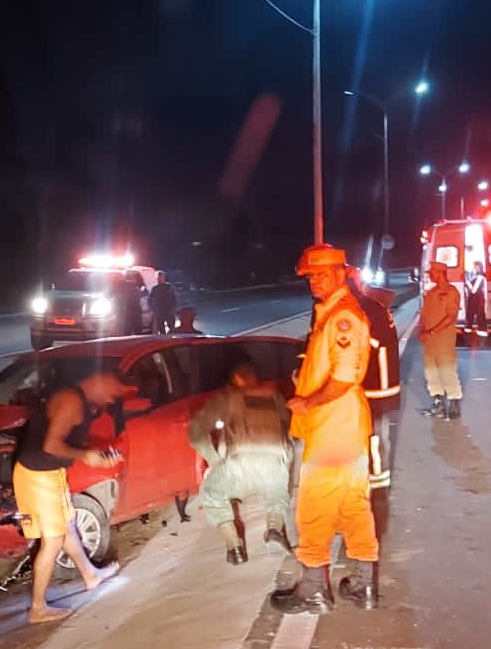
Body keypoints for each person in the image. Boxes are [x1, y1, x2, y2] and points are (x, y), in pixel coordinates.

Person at [272, 243, 381, 612]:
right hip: (343, 427)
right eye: (310, 276)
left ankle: (314, 589)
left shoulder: (344, 318)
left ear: (341, 274)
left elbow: (346, 377)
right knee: (353, 505)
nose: (315, 281)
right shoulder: (330, 314)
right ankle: (365, 586)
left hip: (333, 428)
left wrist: (306, 401)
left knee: (315, 507)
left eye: (322, 274)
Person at [13, 369, 125, 622]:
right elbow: (51, 445)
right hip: (36, 476)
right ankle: (38, 609)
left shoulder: (79, 400)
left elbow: (63, 443)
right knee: (53, 541)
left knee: (68, 527)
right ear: (98, 382)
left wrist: (93, 453)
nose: (110, 402)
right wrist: (86, 456)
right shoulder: (72, 401)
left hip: (49, 474)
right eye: (110, 394)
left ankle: (90, 576)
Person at [188, 356, 292, 564]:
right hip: (275, 463)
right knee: (277, 495)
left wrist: (215, 460)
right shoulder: (274, 396)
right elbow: (287, 426)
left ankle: (233, 546)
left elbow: (196, 431)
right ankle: (274, 529)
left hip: (240, 465)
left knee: (211, 491)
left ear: (235, 378)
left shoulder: (228, 397)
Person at [346, 268, 401, 491]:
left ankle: (376, 488)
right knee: (374, 437)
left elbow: (364, 347)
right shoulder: (374, 306)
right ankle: (372, 481)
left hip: (375, 388)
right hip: (379, 386)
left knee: (373, 438)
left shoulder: (364, 310)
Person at [419, 261, 464, 420]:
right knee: (431, 372)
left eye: (432, 273)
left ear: (440, 273)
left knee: (446, 370)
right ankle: (438, 403)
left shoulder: (451, 292)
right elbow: (424, 315)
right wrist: (422, 330)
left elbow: (451, 317)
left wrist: (431, 331)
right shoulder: (431, 293)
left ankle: (453, 404)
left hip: (443, 339)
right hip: (429, 341)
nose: (430, 275)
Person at [148, 270, 179, 335]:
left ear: (164, 277)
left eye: (161, 277)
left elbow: (174, 298)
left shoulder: (168, 286)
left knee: (171, 328)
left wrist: (173, 308)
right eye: (159, 277)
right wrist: (153, 309)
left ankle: (171, 340)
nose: (160, 279)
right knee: (161, 329)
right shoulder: (155, 288)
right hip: (159, 311)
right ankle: (164, 340)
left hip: (168, 310)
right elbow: (150, 300)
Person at [464, 261, 488, 333]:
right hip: (477, 298)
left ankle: (480, 330)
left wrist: (467, 282)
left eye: (475, 266)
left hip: (477, 299)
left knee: (477, 314)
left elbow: (473, 290)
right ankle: (478, 330)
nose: (474, 268)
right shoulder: (478, 276)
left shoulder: (480, 277)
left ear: (479, 267)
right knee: (477, 314)